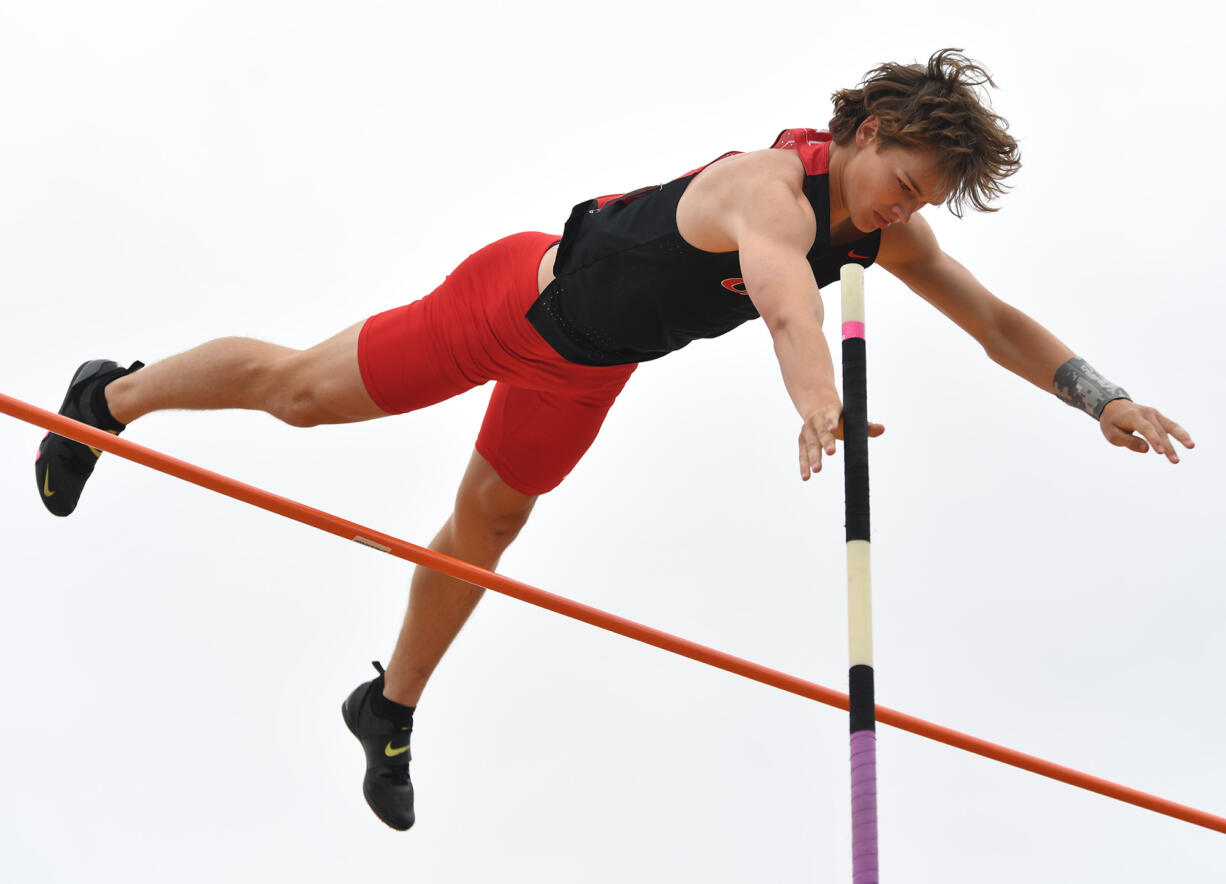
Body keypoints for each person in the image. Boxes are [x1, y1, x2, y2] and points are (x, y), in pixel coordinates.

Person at [32, 49, 1193, 831]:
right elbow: (786, 300)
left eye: (925, 199)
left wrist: (1100, 397)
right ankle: (110, 396)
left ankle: (387, 704)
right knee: (297, 396)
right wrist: (811, 400)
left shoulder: (881, 235)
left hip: (581, 370)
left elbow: (993, 322)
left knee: (486, 524)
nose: (905, 208)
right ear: (868, 130)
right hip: (508, 302)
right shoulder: (767, 190)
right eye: (903, 179)